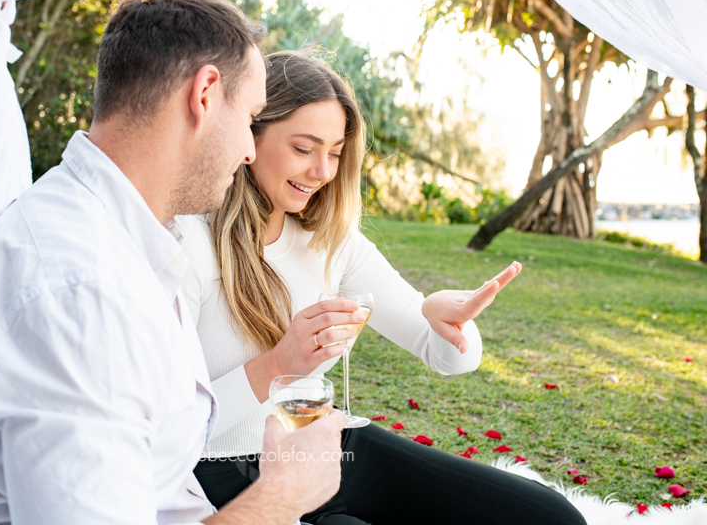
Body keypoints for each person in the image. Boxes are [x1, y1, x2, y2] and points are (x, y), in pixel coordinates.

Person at [0, 0, 348, 525]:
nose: (250, 149)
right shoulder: (82, 289)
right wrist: (283, 495)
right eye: (249, 117)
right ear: (205, 94)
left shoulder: (125, 235)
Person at [179, 50, 588, 525]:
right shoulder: (187, 243)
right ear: (251, 135)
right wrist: (278, 365)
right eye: (303, 148)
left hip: (336, 451)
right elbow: (173, 429)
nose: (323, 172)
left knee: (551, 518)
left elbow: (448, 358)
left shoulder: (332, 242)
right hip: (227, 477)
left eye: (334, 153)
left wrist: (451, 321)